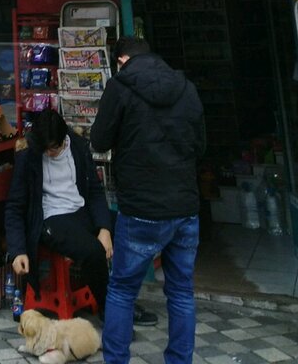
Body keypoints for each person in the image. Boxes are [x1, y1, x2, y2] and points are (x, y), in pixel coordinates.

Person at [90, 36, 205, 364]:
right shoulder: (186, 88)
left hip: (141, 208)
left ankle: (116, 360)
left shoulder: (119, 87)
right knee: (181, 292)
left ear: (121, 60)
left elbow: (99, 140)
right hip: (184, 206)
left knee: (122, 289)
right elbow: (201, 146)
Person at [4, 108, 157, 327]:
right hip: (50, 219)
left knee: (130, 228)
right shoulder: (29, 155)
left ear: (63, 139)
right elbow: (14, 207)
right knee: (93, 251)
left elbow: (94, 190)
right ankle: (110, 309)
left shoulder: (77, 145)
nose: (49, 153)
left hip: (80, 210)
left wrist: (104, 228)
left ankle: (123, 298)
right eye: (44, 149)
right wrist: (18, 250)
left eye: (53, 149)